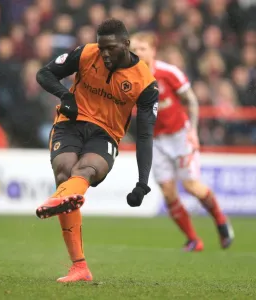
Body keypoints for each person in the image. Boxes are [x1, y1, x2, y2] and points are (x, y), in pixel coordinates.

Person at [35, 19, 159, 282]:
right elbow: (44, 73)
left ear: (126, 44)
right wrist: (64, 95)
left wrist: (142, 182)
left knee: (84, 171)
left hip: (106, 135)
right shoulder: (86, 53)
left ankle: (61, 199)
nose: (104, 54)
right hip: (70, 122)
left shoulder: (146, 84)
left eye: (110, 48)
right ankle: (79, 267)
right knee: (64, 172)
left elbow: (146, 135)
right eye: (102, 48)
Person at [130, 32, 234, 252]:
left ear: (153, 50)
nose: (138, 53)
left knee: (191, 186)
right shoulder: (129, 77)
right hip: (155, 141)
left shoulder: (169, 72)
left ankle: (221, 220)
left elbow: (191, 101)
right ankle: (194, 239)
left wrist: (193, 132)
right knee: (167, 192)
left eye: (142, 48)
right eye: (134, 49)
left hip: (179, 136)